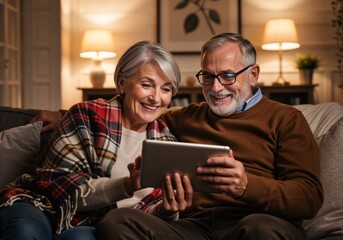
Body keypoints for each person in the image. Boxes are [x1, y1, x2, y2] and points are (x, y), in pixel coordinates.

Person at [93, 33, 323, 239]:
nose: (215, 88)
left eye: (227, 76)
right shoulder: (186, 117)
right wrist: (61, 115)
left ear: (253, 74)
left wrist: (246, 186)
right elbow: (132, 111)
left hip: (258, 221)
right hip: (194, 227)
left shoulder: (287, 119)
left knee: (258, 228)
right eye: (208, 77)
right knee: (117, 222)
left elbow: (309, 197)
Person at [0, 41, 193, 240]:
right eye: (146, 85)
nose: (156, 98)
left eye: (166, 89)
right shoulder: (86, 115)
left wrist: (167, 211)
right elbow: (60, 187)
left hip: (100, 223)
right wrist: (127, 185)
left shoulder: (168, 143)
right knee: (27, 230)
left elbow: (146, 219)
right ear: (121, 83)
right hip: (45, 205)